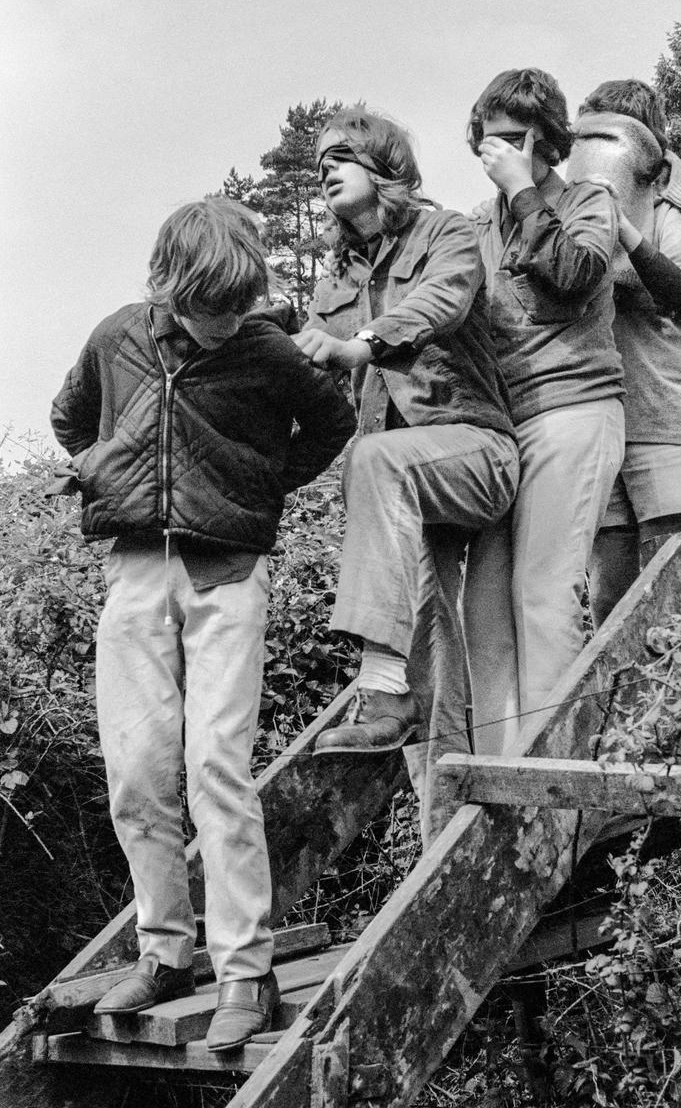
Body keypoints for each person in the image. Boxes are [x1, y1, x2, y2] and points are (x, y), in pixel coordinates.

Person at [50, 198, 355, 1050]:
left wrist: (259, 489)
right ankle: (164, 951)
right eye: (210, 306)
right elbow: (72, 419)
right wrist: (114, 471)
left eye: (238, 306)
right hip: (137, 572)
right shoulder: (117, 337)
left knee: (217, 765)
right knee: (137, 773)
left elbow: (333, 423)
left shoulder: (266, 350)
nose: (226, 323)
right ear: (168, 285)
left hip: (228, 575)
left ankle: (245, 970)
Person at [292, 107, 519, 844]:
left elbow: (442, 301)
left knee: (376, 459)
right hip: (400, 504)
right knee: (432, 668)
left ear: (385, 167)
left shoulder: (447, 233)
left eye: (341, 156)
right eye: (318, 159)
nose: (324, 167)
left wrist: (362, 342)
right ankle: (442, 853)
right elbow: (303, 390)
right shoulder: (333, 284)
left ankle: (378, 686)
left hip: (475, 456)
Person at [461, 68, 625, 754]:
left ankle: (550, 782)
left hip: (573, 406)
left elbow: (578, 273)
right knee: (484, 608)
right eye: (487, 139)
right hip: (502, 427)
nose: (494, 152)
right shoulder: (475, 227)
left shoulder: (588, 199)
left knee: (545, 590)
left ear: (543, 140)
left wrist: (524, 191)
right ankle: (496, 778)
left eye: (511, 139)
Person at [571, 80, 681, 626]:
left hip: (664, 417)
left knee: (671, 594)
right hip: (599, 418)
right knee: (609, 601)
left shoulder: (675, 201)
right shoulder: (573, 199)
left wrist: (621, 236)